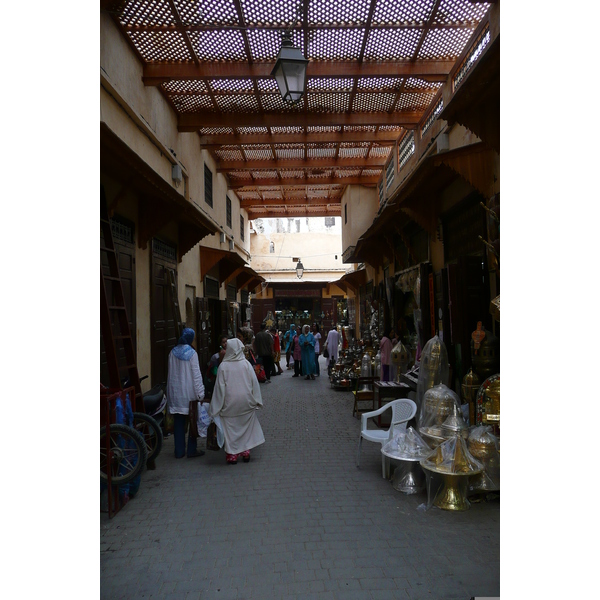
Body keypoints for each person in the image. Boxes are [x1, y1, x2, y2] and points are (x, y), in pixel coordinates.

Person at [209, 337, 265, 465]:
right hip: (246, 403)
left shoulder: (223, 367)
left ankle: (232, 454)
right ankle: (245, 452)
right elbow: (254, 383)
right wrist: (256, 400)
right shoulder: (246, 364)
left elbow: (219, 389)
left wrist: (215, 408)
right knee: (245, 426)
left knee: (230, 429)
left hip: (230, 405)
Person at [166, 328, 206, 459]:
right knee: (192, 421)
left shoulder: (172, 352)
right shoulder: (192, 354)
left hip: (176, 393)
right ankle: (191, 449)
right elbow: (196, 375)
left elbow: (170, 374)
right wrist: (200, 394)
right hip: (189, 394)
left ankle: (179, 451)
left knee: (178, 422)